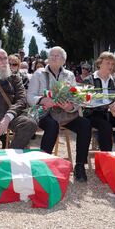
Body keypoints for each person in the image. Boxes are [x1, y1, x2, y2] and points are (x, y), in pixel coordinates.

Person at [27, 46, 91, 182]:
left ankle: (79, 166)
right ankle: (42, 165)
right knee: (52, 125)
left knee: (85, 124)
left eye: (57, 56)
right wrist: (42, 100)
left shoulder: (70, 75)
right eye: (51, 55)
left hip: (65, 113)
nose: (54, 57)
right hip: (44, 112)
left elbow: (76, 97)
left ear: (64, 60)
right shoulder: (39, 73)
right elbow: (30, 96)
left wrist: (70, 106)